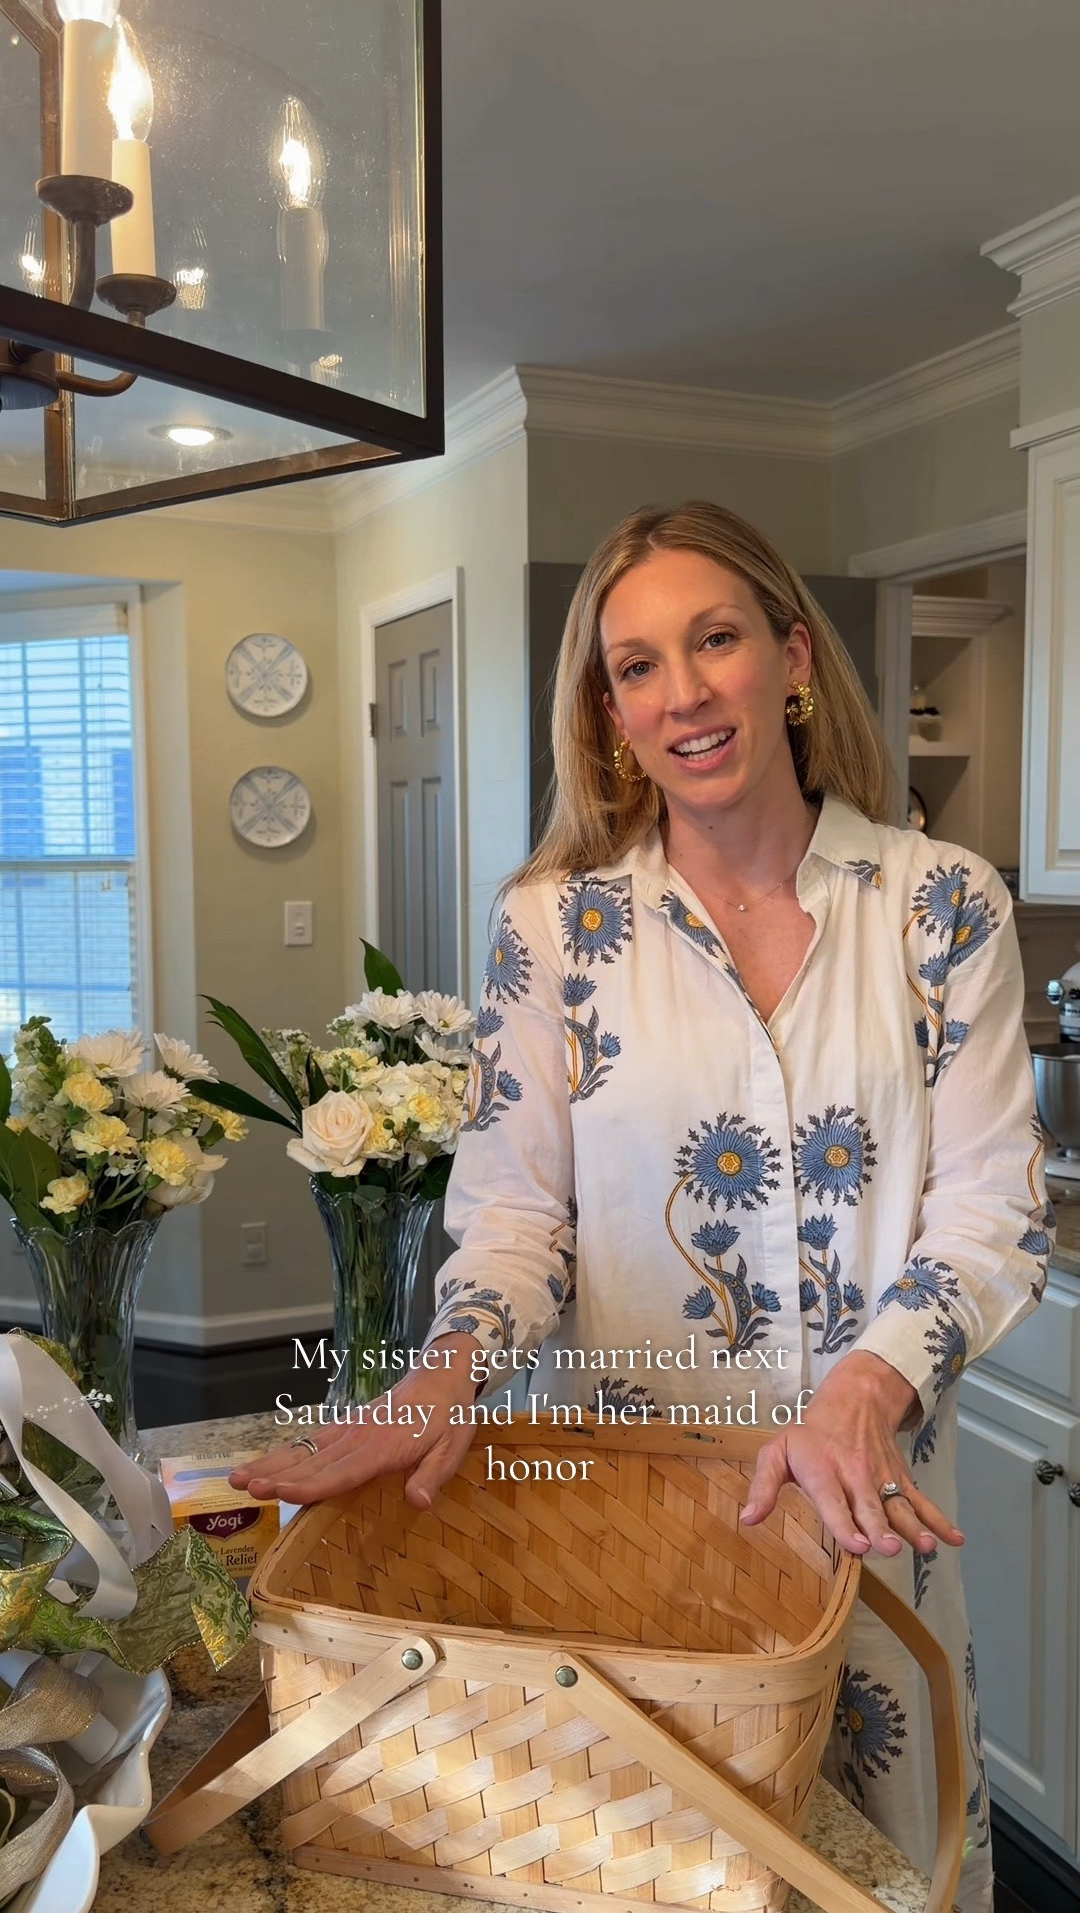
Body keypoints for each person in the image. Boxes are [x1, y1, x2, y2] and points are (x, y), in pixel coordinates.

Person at [232, 501, 1055, 1913]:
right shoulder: (556, 927)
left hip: (870, 1515)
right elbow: (512, 1215)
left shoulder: (943, 907)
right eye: (635, 666)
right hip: (634, 1539)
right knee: (655, 1867)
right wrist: (450, 1369)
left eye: (716, 640)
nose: (683, 693)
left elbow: (991, 1206)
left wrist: (867, 1383)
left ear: (794, 660)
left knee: (895, 1876)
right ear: (607, 712)